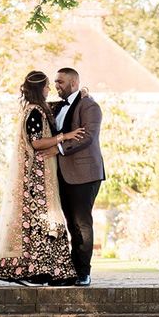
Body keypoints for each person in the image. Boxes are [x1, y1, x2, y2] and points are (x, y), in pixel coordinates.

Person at [0, 70, 82, 286]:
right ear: (40, 89)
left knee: (45, 222)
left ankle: (45, 270)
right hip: (38, 179)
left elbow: (61, 105)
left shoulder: (36, 109)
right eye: (47, 86)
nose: (50, 89)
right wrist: (64, 136)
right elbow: (36, 142)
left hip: (43, 176)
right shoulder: (34, 112)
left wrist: (82, 93)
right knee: (43, 221)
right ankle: (36, 270)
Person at [37, 68, 104, 287]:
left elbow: (87, 136)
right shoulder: (56, 106)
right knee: (69, 223)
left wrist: (59, 149)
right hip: (62, 174)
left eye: (61, 82)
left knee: (82, 223)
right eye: (55, 82)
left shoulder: (89, 106)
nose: (56, 85)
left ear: (74, 82)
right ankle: (70, 271)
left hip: (85, 173)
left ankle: (83, 273)